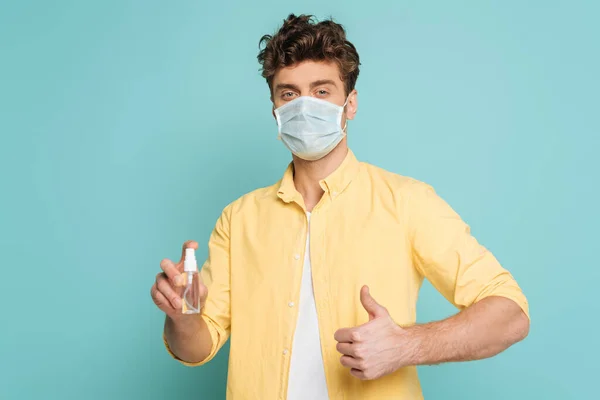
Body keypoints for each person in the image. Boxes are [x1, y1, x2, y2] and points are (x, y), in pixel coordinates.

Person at [150, 14, 530, 400]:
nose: (304, 106)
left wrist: (406, 346)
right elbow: (195, 347)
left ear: (350, 104)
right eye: (289, 94)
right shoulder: (238, 219)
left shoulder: (407, 202)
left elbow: (510, 314)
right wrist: (182, 317)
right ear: (275, 113)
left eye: (321, 91)